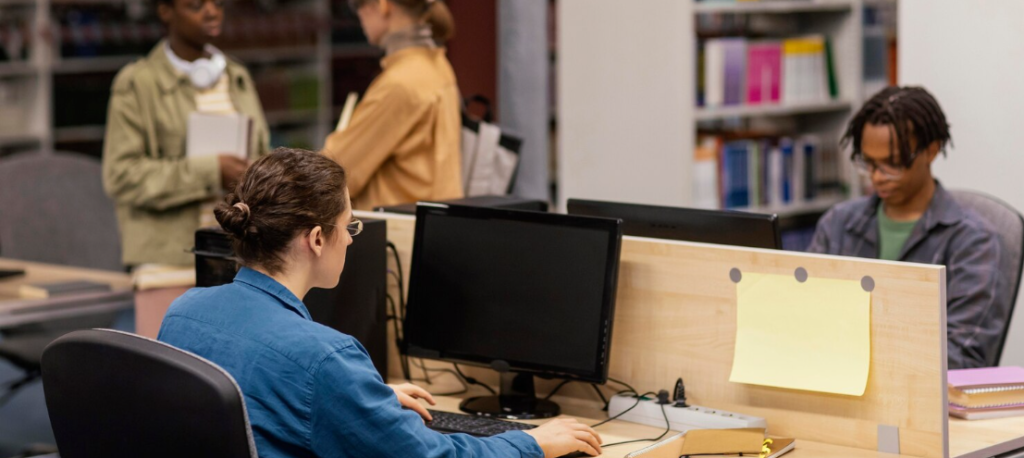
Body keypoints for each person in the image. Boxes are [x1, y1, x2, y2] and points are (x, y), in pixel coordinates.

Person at [157, 148, 603, 458]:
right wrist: (535, 443)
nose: (351, 241)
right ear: (316, 239)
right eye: (349, 227)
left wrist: (364, 397)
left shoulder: (183, 314)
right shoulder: (326, 359)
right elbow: (434, 457)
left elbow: (253, 400)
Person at [807, 86, 1007, 369]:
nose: (877, 178)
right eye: (869, 163)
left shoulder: (974, 242)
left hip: (920, 403)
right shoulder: (838, 224)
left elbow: (963, 358)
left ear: (931, 151)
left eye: (893, 164)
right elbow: (804, 320)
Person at [103, 0, 269, 267]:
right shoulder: (138, 83)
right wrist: (212, 170)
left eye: (218, 3)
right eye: (196, 5)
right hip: (169, 261)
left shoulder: (237, 77)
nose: (212, 12)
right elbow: (122, 176)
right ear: (166, 11)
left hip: (239, 258)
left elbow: (263, 154)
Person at [322, 0, 463, 210]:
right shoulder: (437, 65)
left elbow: (334, 174)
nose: (358, 14)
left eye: (357, 4)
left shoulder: (400, 83)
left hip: (397, 234)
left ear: (383, 5)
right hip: (431, 223)